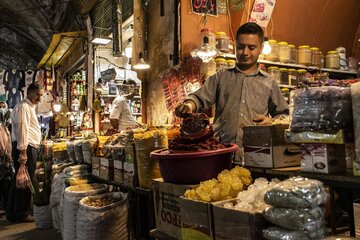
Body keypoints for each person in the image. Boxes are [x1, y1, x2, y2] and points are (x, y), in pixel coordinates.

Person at [175, 22, 288, 159]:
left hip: (256, 155)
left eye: (251, 48)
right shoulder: (222, 76)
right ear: (235, 46)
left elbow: (283, 115)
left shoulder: (269, 83)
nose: (245, 52)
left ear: (261, 48)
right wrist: (188, 105)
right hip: (221, 153)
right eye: (240, 47)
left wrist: (271, 122)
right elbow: (199, 98)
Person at [6, 83, 42, 222]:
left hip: (26, 147)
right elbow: (22, 130)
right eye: (38, 95)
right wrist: (23, 152)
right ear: (30, 93)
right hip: (25, 148)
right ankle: (22, 213)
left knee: (20, 180)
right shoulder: (24, 107)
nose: (39, 98)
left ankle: (13, 213)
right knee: (25, 181)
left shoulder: (28, 107)